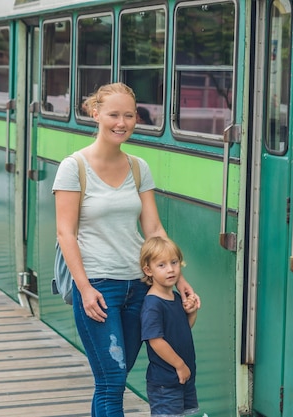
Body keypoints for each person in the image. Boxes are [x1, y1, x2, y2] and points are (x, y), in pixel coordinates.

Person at [53, 82, 196, 417]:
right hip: (99, 288)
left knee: (114, 378)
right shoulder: (73, 167)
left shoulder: (137, 167)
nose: (122, 122)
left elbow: (154, 230)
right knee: (112, 379)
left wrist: (180, 280)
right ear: (95, 113)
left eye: (129, 115)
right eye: (114, 114)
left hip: (138, 285)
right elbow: (65, 234)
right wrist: (84, 289)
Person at [140, 236, 200, 417]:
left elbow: (183, 330)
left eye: (174, 262)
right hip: (165, 383)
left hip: (183, 378)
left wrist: (193, 312)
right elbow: (155, 341)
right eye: (162, 265)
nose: (170, 269)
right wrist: (180, 365)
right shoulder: (153, 304)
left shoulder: (174, 297)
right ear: (148, 270)